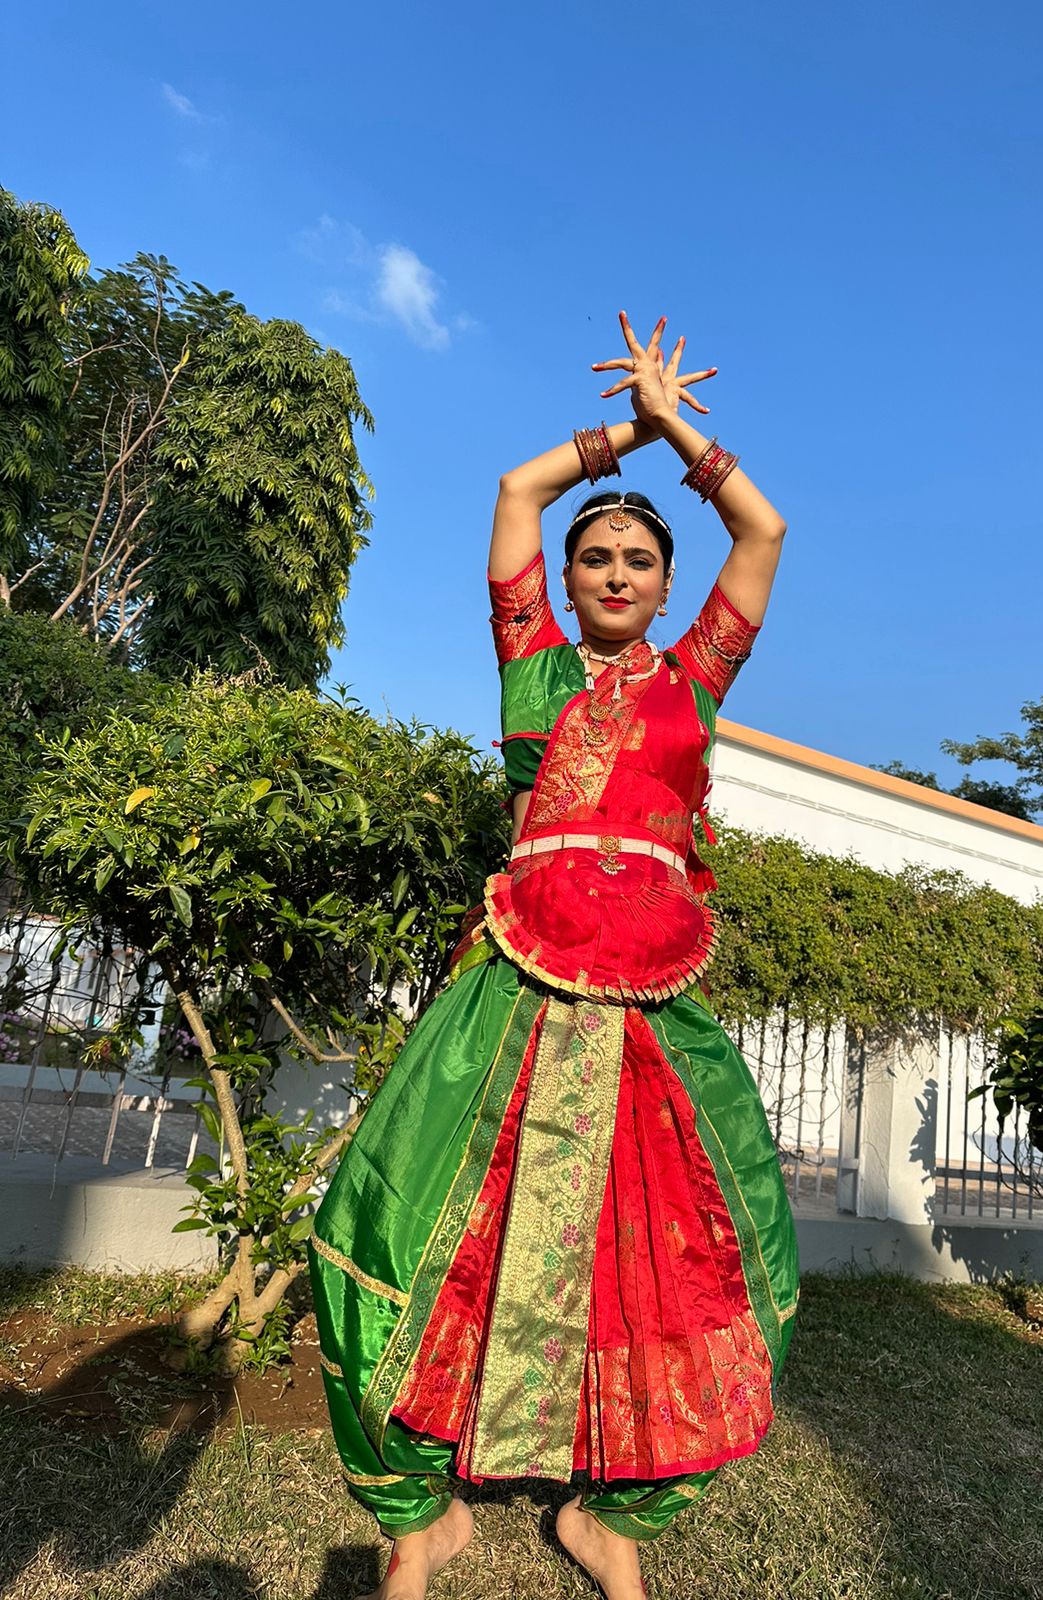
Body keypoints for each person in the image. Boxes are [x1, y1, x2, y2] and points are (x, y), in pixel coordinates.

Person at [309, 312, 800, 1600]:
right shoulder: (528, 662)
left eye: (640, 559)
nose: (618, 573)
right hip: (518, 977)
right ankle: (423, 1519)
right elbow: (516, 489)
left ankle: (610, 1517)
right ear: (567, 580)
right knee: (408, 1216)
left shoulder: (696, 682)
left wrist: (680, 431)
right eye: (597, 558)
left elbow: (763, 533)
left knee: (690, 1254)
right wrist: (623, 432)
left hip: (652, 995)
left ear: (667, 586)